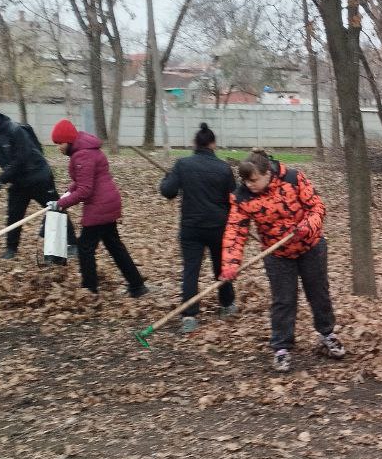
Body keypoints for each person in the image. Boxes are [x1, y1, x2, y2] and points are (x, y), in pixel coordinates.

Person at [221, 150, 345, 372]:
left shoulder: (293, 178)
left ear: (267, 172)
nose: (250, 185)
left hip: (310, 246)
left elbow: (317, 207)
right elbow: (235, 231)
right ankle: (281, 347)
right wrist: (230, 263)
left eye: (254, 180)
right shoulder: (242, 197)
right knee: (283, 300)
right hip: (277, 254)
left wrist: (307, 226)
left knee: (318, 293)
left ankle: (327, 334)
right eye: (246, 181)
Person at [47, 119, 149, 298]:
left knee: (85, 247)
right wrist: (64, 195)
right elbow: (82, 181)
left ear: (69, 140)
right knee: (114, 245)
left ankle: (89, 290)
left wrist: (61, 204)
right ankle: (137, 285)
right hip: (107, 202)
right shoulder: (86, 150)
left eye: (60, 143)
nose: (59, 147)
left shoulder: (82, 155)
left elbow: (85, 190)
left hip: (100, 206)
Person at [0, 106, 75, 261]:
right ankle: (11, 249)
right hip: (17, 182)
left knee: (56, 208)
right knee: (14, 215)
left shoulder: (14, 130)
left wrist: (0, 179)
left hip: (39, 177)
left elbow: (21, 159)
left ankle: (73, 244)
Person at [159, 123, 237, 333]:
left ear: (195, 144)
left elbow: (167, 191)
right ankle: (227, 304)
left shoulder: (183, 164)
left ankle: (190, 316)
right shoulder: (223, 168)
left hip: (191, 227)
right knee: (221, 266)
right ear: (213, 144)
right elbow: (234, 198)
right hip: (218, 227)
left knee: (191, 269)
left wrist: (168, 178)